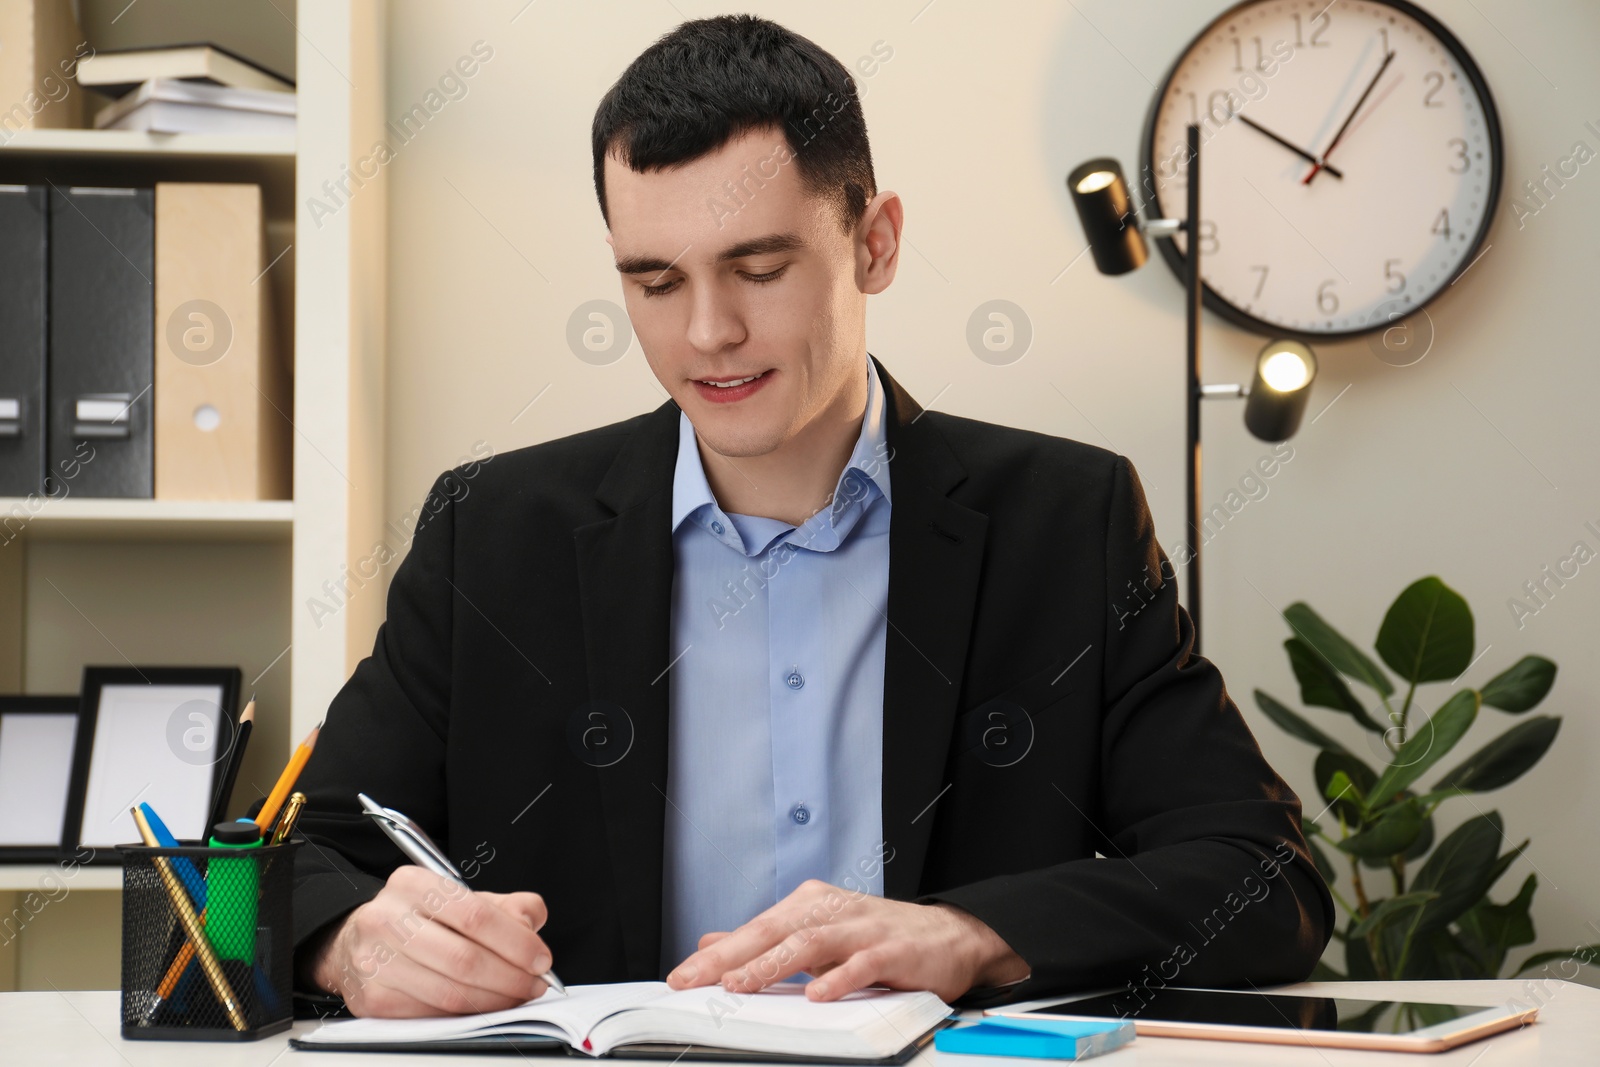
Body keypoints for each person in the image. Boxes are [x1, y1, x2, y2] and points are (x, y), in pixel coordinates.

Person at [291, 13, 1332, 1019]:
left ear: (874, 244)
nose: (708, 332)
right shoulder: (493, 531)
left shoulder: (1067, 521)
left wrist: (971, 932)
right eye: (655, 282)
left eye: (759, 268)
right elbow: (277, 864)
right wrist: (342, 940)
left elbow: (1264, 880)